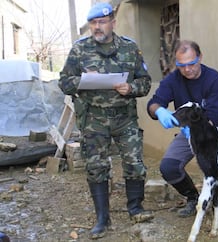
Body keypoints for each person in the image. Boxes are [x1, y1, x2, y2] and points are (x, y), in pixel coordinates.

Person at [58, 2, 153, 239]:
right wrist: (82, 80)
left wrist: (130, 87)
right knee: (96, 166)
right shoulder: (79, 50)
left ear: (113, 22)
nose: (97, 27)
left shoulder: (130, 49)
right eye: (93, 23)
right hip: (94, 120)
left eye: (101, 22)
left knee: (134, 163)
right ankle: (103, 218)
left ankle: (135, 208)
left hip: (125, 118)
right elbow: (64, 82)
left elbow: (145, 83)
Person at [147, 40, 218, 218]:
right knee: (169, 167)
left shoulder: (214, 79)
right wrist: (159, 111)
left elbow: (216, 116)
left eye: (191, 64)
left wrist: (196, 129)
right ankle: (192, 198)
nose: (187, 69)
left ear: (200, 58)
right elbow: (154, 102)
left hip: (217, 131)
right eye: (181, 65)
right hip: (189, 132)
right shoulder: (173, 80)